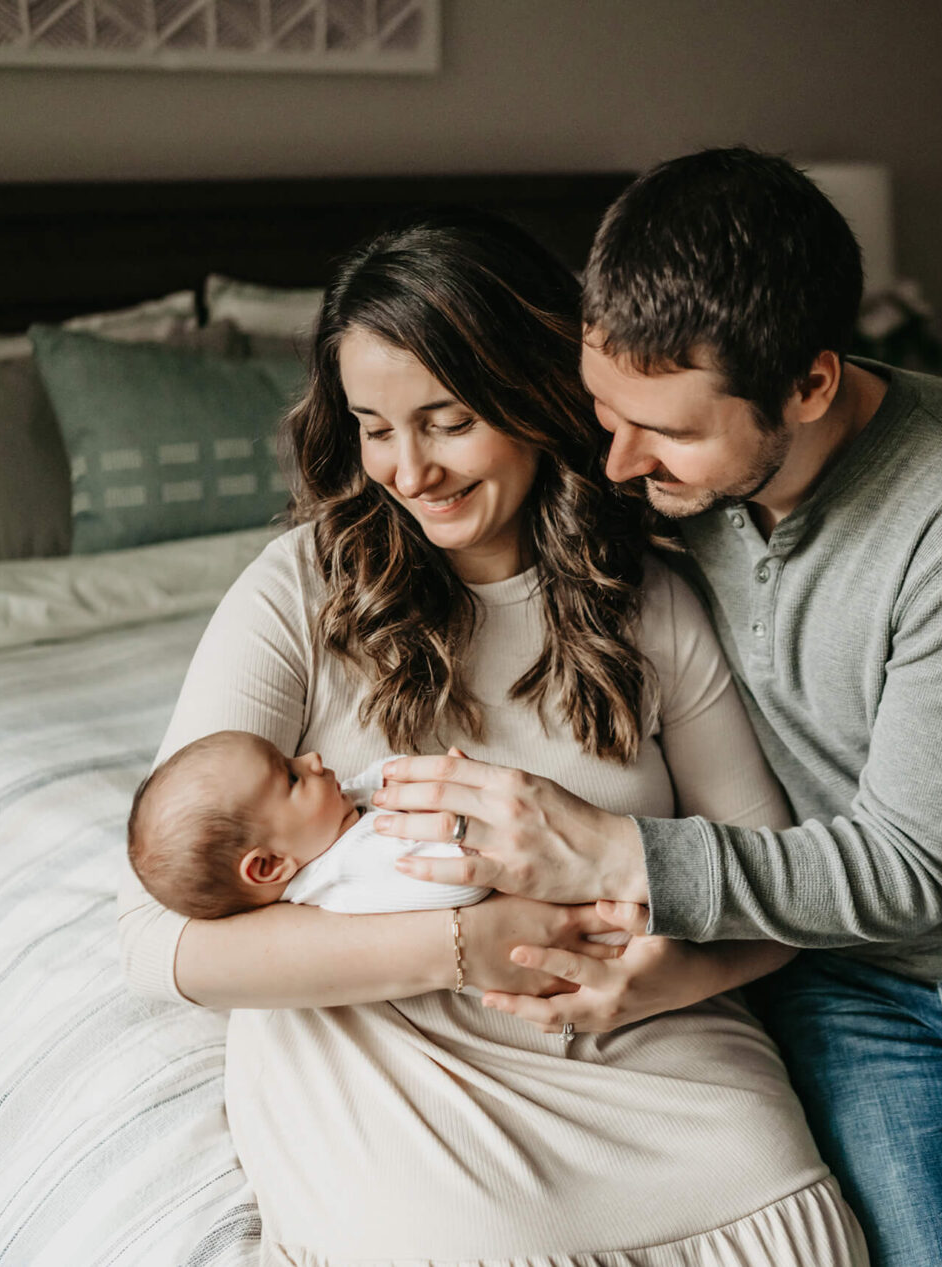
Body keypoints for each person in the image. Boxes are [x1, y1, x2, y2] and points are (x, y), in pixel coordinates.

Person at [379, 149, 942, 1266]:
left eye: (665, 431)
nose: (614, 463)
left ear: (808, 384)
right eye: (605, 409)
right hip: (843, 978)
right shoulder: (641, 461)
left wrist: (621, 856)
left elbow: (907, 873)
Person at [114, 209, 867, 1265]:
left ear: (531, 396)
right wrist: (466, 943)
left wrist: (665, 981)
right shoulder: (299, 590)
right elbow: (158, 943)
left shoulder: (643, 598)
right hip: (391, 1047)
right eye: (374, 428)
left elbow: (774, 883)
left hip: (638, 1036)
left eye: (447, 419)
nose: (407, 469)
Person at [125, 730, 490, 919]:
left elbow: (370, 783)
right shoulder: (346, 869)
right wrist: (468, 832)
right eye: (291, 778)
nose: (311, 759)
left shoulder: (328, 827)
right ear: (269, 864)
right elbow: (460, 888)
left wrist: (407, 779)